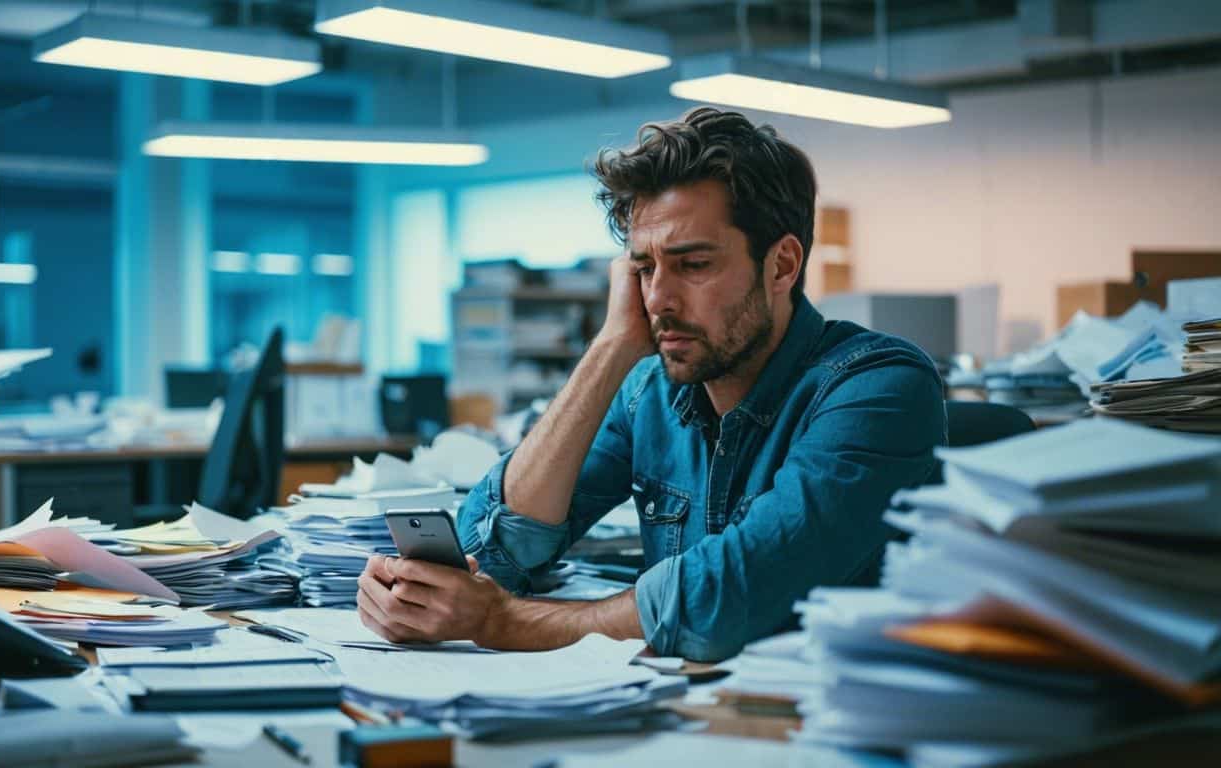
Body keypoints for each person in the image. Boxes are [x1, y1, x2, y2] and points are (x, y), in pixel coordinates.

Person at [356, 107, 947, 661]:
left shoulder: (878, 385)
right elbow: (504, 549)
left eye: (693, 265)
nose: (658, 300)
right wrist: (611, 348)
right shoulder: (650, 393)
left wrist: (500, 623)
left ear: (782, 266)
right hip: (677, 713)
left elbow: (734, 594)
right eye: (643, 269)